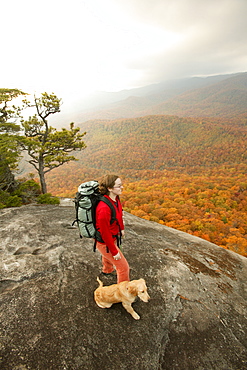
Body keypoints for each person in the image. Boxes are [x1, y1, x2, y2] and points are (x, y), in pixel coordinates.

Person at [95, 174, 130, 283]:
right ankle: (124, 293)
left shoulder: (115, 198)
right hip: (104, 241)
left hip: (113, 236)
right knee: (123, 268)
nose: (121, 188)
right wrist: (114, 252)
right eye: (118, 186)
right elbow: (105, 234)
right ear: (109, 188)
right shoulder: (104, 208)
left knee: (108, 255)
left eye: (121, 185)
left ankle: (107, 270)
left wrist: (122, 228)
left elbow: (119, 213)